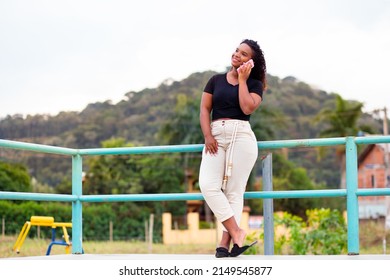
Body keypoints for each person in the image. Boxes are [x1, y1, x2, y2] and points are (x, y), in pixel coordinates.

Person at [198, 39, 266, 258]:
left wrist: (243, 80)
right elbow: (204, 109)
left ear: (251, 63)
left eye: (244, 54)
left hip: (242, 136)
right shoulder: (215, 80)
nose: (237, 55)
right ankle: (237, 232)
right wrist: (208, 135)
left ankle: (225, 244)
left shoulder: (255, 85)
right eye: (237, 50)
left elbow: (247, 107)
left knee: (234, 192)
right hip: (216, 135)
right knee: (208, 185)